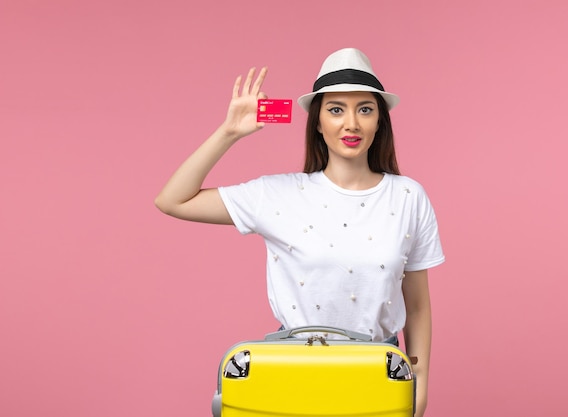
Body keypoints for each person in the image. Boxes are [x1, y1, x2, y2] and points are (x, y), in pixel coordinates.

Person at [155, 47, 445, 416]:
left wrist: (418, 378)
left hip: (379, 372)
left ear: (380, 122)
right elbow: (172, 200)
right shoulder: (279, 194)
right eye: (336, 109)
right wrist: (228, 133)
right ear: (318, 122)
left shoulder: (408, 196)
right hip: (292, 367)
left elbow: (418, 304)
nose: (351, 123)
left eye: (365, 109)